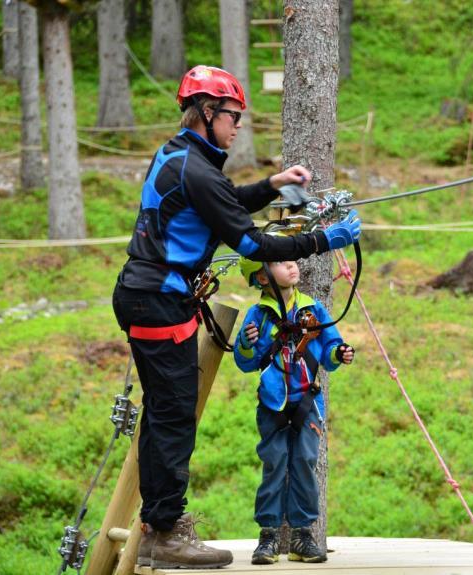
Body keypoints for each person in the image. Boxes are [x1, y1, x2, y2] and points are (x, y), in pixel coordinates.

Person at [111, 65, 361, 570]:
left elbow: (225, 203)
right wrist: (324, 240)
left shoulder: (181, 157)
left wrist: (276, 185)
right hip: (158, 298)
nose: (238, 124)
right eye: (233, 115)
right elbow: (251, 242)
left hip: (152, 295)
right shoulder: (197, 169)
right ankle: (164, 531)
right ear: (208, 113)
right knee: (174, 417)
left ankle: (160, 525)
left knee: (166, 413)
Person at [234, 255, 355, 565]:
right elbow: (245, 362)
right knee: (274, 463)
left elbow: (328, 351)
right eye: (280, 263)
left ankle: (302, 536)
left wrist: (339, 352)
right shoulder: (258, 315)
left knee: (304, 462)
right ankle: (269, 536)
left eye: (291, 260)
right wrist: (247, 344)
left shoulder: (313, 310)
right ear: (262, 278)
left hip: (307, 404)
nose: (291, 266)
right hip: (272, 405)